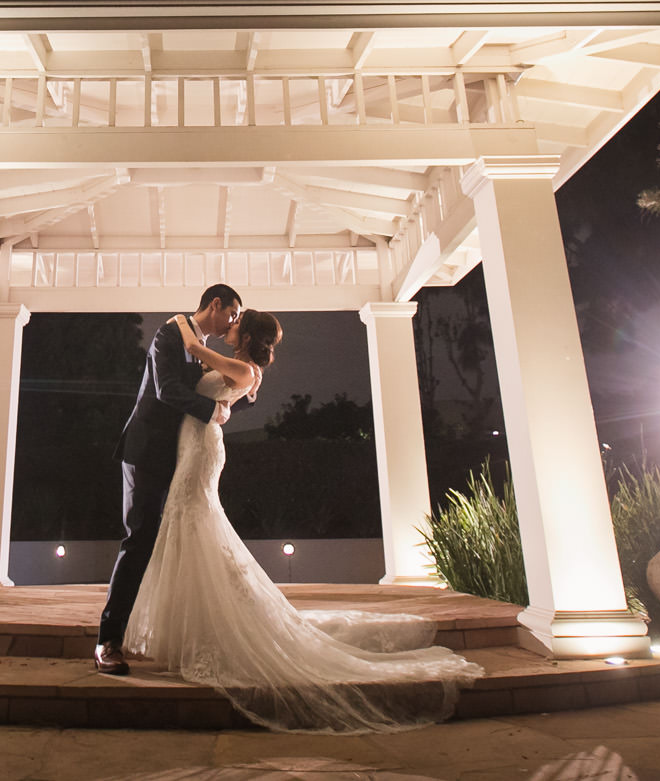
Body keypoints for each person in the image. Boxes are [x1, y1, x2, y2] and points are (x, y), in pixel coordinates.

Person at [124, 308, 487, 733]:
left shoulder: (245, 368)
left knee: (195, 519)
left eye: (237, 319)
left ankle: (217, 625)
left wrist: (181, 318)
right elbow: (199, 383)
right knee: (188, 522)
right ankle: (194, 624)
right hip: (192, 441)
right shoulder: (239, 367)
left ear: (247, 332)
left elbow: (191, 346)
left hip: (202, 449)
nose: (231, 323)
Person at [95, 284, 249, 675]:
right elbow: (166, 389)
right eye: (231, 314)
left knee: (176, 542)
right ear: (215, 304)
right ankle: (108, 641)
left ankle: (169, 635)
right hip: (147, 451)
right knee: (140, 539)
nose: (232, 323)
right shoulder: (170, 334)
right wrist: (212, 410)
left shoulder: (192, 339)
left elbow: (237, 381)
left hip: (182, 457)